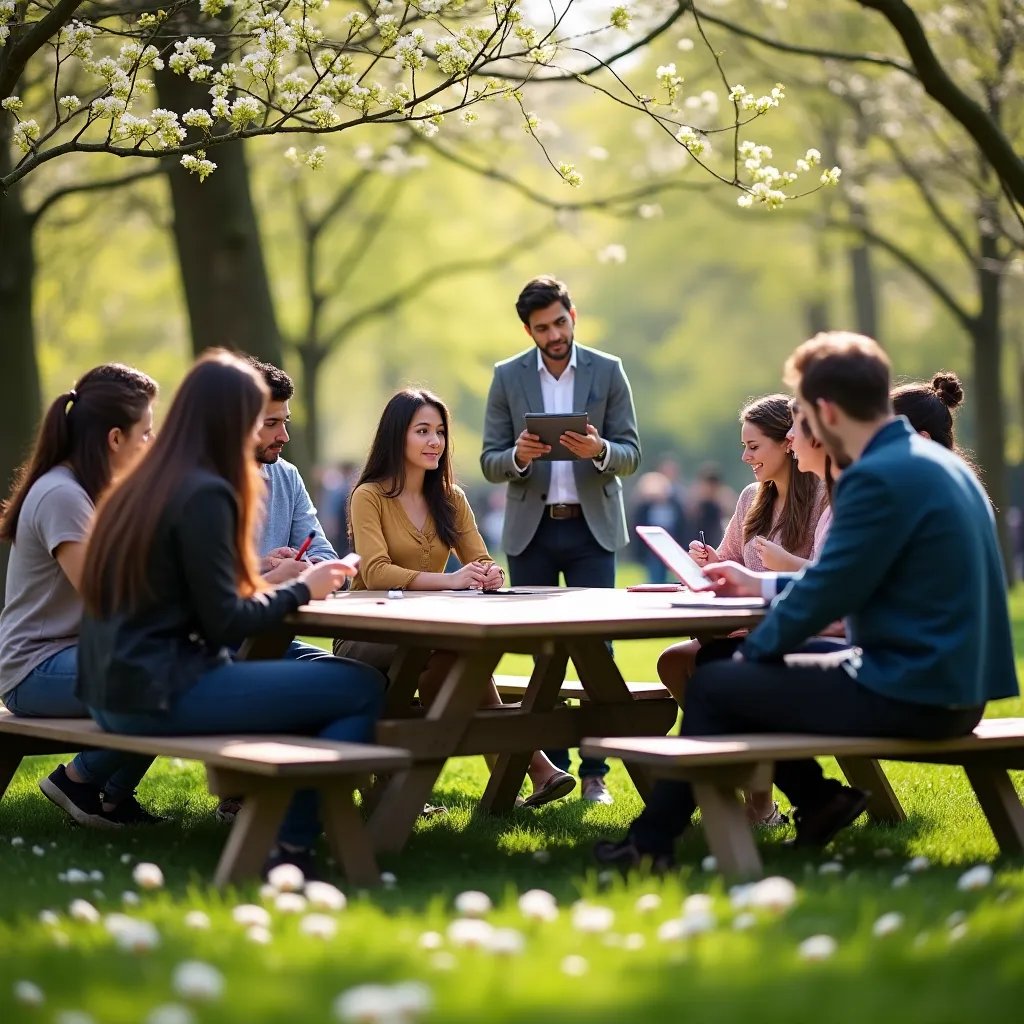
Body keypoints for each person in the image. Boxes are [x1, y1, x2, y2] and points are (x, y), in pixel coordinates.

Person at [595, 331, 1018, 870]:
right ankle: (809, 804)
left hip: (916, 690)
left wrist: (757, 653)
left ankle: (652, 844)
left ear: (825, 412)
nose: (796, 434)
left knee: (719, 680)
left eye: (800, 419)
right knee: (723, 668)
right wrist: (760, 587)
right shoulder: (933, 463)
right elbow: (850, 578)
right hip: (953, 686)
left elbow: (828, 594)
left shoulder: (877, 477)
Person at [77, 351, 385, 879]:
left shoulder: (144, 483)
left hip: (110, 687)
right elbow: (226, 621)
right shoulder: (205, 492)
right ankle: (290, 846)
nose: (264, 432)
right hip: (159, 691)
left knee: (324, 683)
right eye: (255, 417)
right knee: (361, 686)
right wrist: (302, 589)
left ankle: (290, 824)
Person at [336, 387, 575, 809]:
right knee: (455, 660)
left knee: (455, 665)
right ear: (397, 437)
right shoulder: (368, 495)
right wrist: (452, 581)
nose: (435, 442)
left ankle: (419, 790)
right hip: (369, 635)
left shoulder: (451, 498)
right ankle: (534, 766)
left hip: (431, 638)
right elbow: (374, 572)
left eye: (440, 432)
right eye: (422, 431)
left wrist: (489, 573)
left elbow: (479, 559)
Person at [481, 275, 642, 805]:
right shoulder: (506, 377)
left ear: (573, 314)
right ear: (527, 330)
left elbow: (632, 453)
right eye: (542, 328)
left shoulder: (609, 369)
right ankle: (555, 767)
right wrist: (520, 458)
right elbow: (490, 460)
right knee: (543, 654)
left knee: (597, 648)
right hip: (533, 531)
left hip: (593, 530)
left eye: (560, 322)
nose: (554, 335)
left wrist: (599, 449)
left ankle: (597, 772)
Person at [0, 364, 161, 828]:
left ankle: (110, 796)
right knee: (172, 678)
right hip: (36, 667)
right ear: (115, 438)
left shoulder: (93, 491)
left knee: (189, 664)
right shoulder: (62, 495)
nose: (150, 445)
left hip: (78, 653)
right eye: (146, 434)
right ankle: (79, 779)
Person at [630, 470, 690, 583]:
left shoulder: (675, 505)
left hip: (672, 543)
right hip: (654, 546)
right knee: (655, 574)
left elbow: (681, 526)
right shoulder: (646, 507)